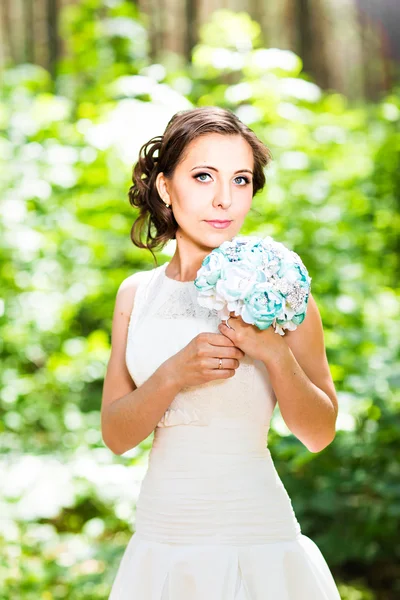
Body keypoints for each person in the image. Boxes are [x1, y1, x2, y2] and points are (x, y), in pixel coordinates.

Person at [102, 106, 341, 599]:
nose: (223, 199)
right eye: (203, 176)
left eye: (241, 179)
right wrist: (173, 374)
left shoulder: (282, 289)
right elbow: (116, 434)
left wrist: (275, 354)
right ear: (166, 187)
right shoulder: (136, 295)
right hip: (160, 541)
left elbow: (318, 434)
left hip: (256, 541)